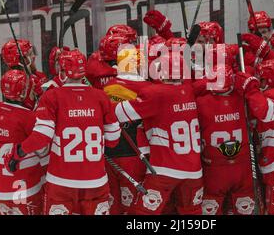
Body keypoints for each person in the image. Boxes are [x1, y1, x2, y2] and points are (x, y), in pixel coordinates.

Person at [4, 49, 121, 215]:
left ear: (62, 70)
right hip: (95, 181)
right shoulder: (101, 97)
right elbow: (114, 139)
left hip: (61, 182)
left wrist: (18, 153)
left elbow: (42, 137)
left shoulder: (52, 96)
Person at [114, 52, 203, 215]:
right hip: (194, 171)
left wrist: (98, 100)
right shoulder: (189, 90)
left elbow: (117, 113)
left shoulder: (155, 93)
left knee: (142, 213)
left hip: (164, 170)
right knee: (191, 214)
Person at [235, 58, 274, 215]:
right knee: (272, 205)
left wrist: (251, 89)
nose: (260, 82)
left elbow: (265, 112)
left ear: (270, 79)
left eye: (261, 79)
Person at [197, 64, 256, 215]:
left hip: (214, 168)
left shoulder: (201, 101)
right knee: (243, 209)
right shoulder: (242, 98)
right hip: (242, 166)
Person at [102, 46, 152, 214]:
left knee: (112, 204)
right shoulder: (147, 88)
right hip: (135, 154)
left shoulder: (107, 86)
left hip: (108, 153)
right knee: (133, 205)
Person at [0, 70, 45, 215]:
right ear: (23, 92)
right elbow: (43, 150)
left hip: (0, 184)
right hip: (23, 185)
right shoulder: (28, 116)